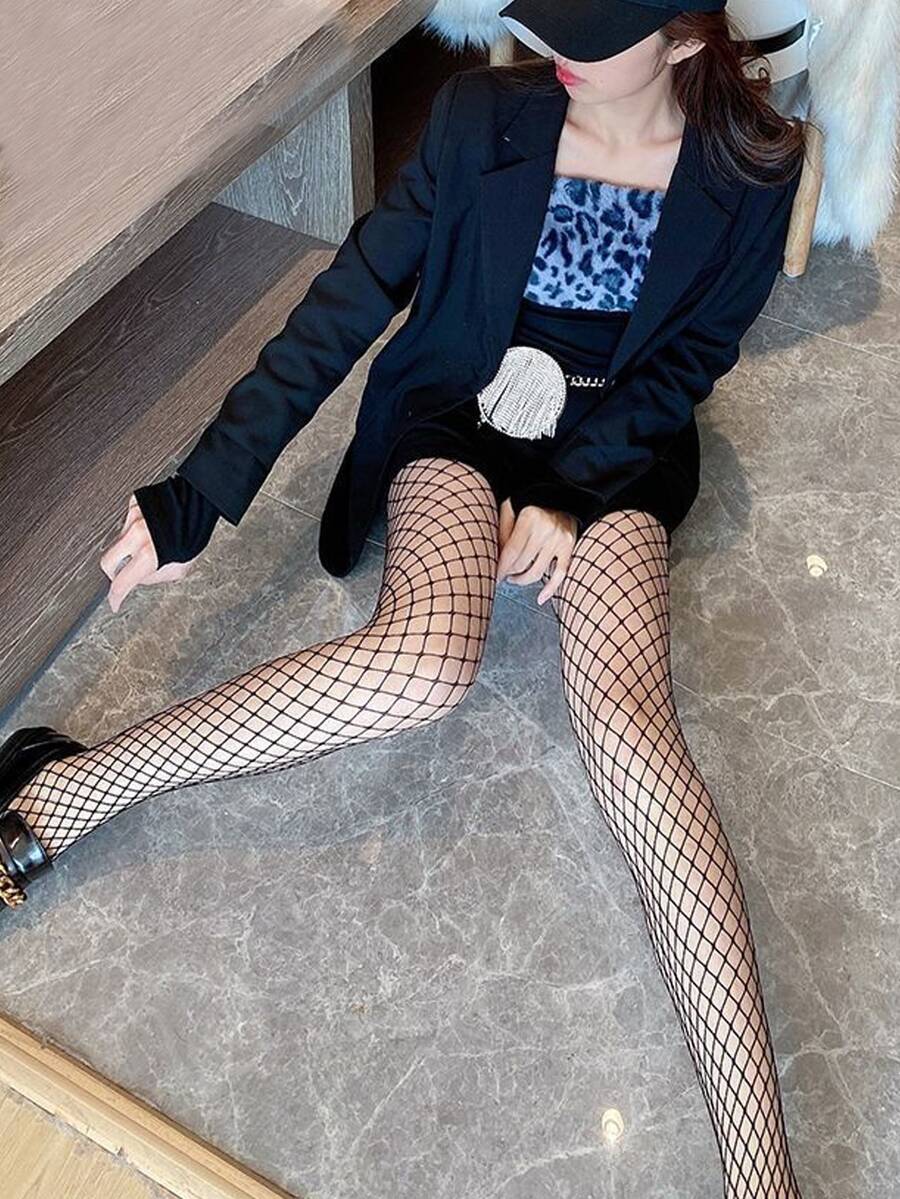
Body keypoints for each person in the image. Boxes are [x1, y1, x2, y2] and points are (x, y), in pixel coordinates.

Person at [0, 2, 807, 1195]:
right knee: (422, 662)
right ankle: (60, 790)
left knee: (631, 730)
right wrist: (199, 492)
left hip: (616, 452)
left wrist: (573, 491)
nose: (557, 48)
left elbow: (690, 362)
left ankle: (764, 1175)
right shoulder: (482, 119)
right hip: (460, 418)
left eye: (592, 31)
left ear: (686, 39)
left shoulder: (754, 171)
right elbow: (348, 300)